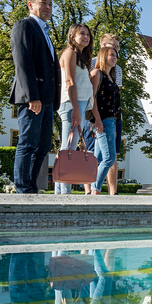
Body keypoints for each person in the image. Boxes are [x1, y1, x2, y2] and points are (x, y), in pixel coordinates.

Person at [9, 0, 61, 193]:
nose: (48, 7)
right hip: (34, 98)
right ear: (30, 5)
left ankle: (30, 187)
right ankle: (22, 188)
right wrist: (33, 96)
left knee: (43, 146)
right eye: (43, 3)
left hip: (47, 99)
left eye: (50, 4)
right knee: (28, 143)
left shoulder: (45, 32)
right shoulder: (24, 26)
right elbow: (23, 63)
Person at [54, 24, 95, 194]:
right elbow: (70, 81)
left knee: (67, 145)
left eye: (88, 34)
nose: (86, 37)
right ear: (72, 36)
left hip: (78, 103)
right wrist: (77, 109)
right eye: (82, 34)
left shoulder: (81, 57)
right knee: (68, 147)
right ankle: (65, 190)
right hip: (72, 103)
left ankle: (59, 189)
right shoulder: (70, 53)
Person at [84, 34, 123, 195]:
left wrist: (114, 123)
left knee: (99, 158)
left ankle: (96, 190)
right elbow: (91, 98)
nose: (115, 56)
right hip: (100, 121)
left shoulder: (112, 75)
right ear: (103, 52)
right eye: (112, 53)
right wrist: (97, 121)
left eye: (116, 53)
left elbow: (115, 102)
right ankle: (95, 190)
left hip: (110, 121)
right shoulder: (96, 73)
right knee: (108, 159)